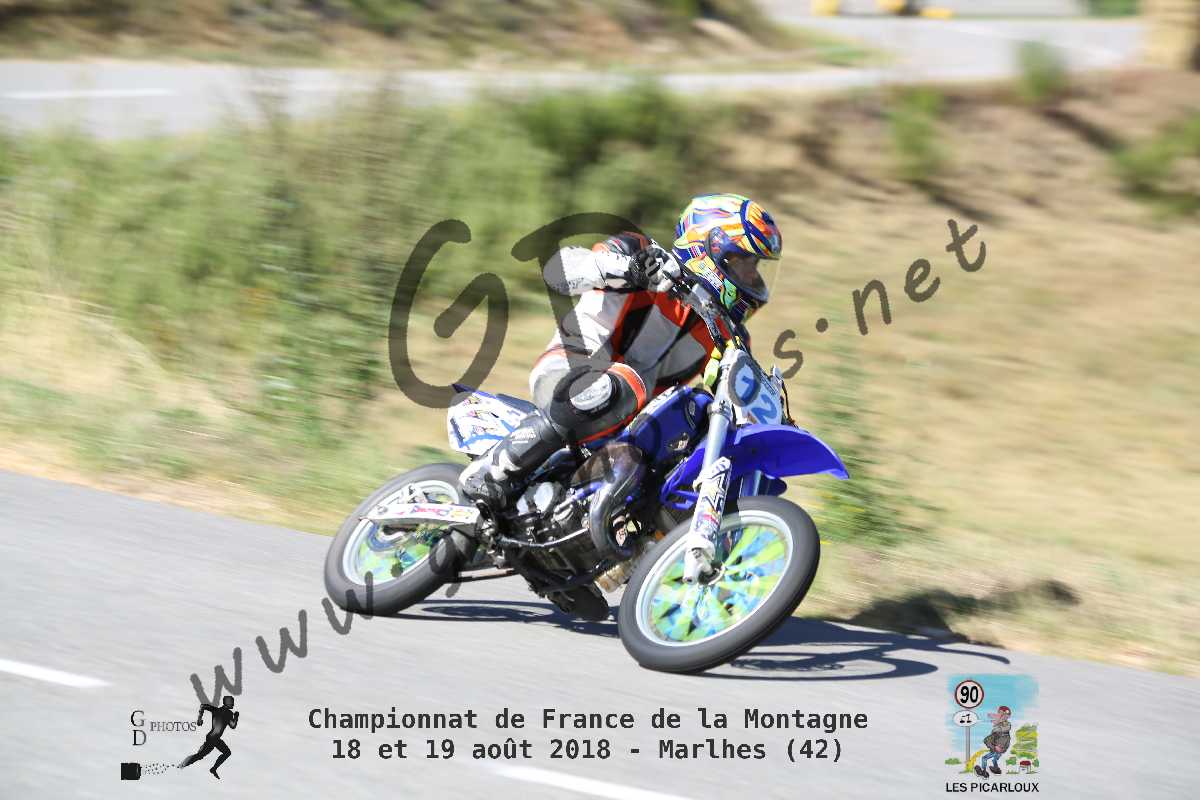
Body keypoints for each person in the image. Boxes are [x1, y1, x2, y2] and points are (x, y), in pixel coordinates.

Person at [460, 193, 782, 509]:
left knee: (695, 435)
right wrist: (631, 269)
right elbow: (559, 270)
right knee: (628, 384)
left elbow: (737, 405)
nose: (753, 277)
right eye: (744, 262)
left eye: (755, 267)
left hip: (629, 429)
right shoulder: (642, 254)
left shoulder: (726, 335)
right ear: (709, 246)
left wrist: (776, 425)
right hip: (570, 375)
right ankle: (493, 470)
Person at [178, 695, 239, 779]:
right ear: (228, 702)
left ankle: (213, 769)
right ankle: (182, 765)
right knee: (200, 755)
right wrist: (236, 717)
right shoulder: (229, 713)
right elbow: (233, 726)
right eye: (232, 702)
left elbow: (203, 706)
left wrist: (199, 718)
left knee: (226, 752)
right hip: (213, 739)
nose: (233, 704)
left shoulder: (216, 710)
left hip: (213, 738)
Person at [975, 705, 1012, 779]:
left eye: (1003, 714)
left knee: (984, 758)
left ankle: (983, 772)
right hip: (999, 748)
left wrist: (998, 746)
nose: (1001, 716)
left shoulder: (1004, 729)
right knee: (995, 759)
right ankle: (996, 769)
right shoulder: (1001, 727)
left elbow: (1004, 736)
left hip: (998, 748)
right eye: (1000, 713)